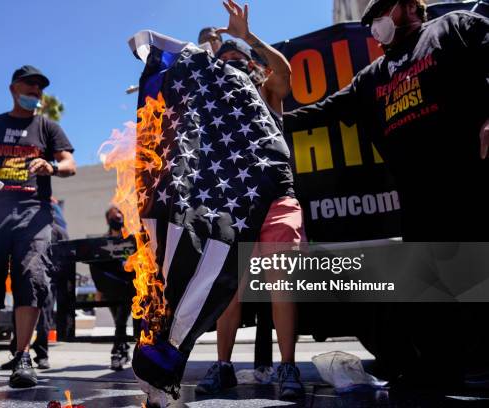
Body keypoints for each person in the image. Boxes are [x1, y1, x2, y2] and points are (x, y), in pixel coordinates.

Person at [282, 0, 488, 387]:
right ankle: (438, 373)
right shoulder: (371, 77)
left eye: (381, 10)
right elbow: (322, 112)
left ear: (410, 5)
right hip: (419, 202)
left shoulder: (454, 28)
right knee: (435, 294)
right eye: (370, 18)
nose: (374, 22)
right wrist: (266, 122)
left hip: (473, 184)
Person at [195, 0, 306, 400]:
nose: (230, 63)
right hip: (233, 207)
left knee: (281, 284)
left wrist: (247, 37)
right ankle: (223, 367)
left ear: (252, 64)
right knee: (229, 291)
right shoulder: (213, 106)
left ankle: (288, 365)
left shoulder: (267, 91)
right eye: (224, 59)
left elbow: (285, 71)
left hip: (276, 198)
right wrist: (208, 50)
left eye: (237, 58)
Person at [0, 65, 76, 388]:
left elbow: (69, 164)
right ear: (13, 88)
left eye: (40, 87)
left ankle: (22, 356)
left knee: (31, 277)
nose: (35, 91)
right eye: (29, 85)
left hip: (33, 213)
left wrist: (52, 166)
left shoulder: (48, 127)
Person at [1, 199, 68, 371]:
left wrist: (53, 275)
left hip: (48, 280)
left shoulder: (57, 231)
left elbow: (64, 256)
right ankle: (18, 354)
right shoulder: (29, 228)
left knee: (43, 318)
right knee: (20, 312)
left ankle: (42, 355)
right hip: (27, 277)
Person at [89, 206, 136, 371]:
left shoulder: (130, 239)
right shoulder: (104, 241)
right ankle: (123, 350)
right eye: (113, 216)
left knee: (121, 319)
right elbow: (98, 269)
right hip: (111, 289)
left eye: (119, 214)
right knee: (119, 320)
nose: (117, 217)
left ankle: (117, 352)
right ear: (107, 219)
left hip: (128, 288)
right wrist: (99, 291)